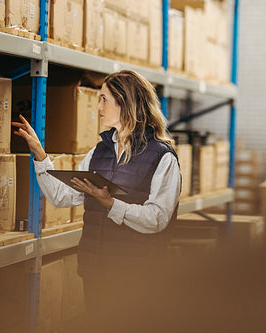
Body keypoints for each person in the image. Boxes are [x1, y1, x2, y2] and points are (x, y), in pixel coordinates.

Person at [12, 70, 181, 332]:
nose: (98, 106)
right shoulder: (99, 151)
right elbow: (62, 196)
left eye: (104, 99)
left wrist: (111, 204)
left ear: (125, 103)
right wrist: (40, 156)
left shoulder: (162, 157)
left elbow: (158, 219)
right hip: (95, 272)